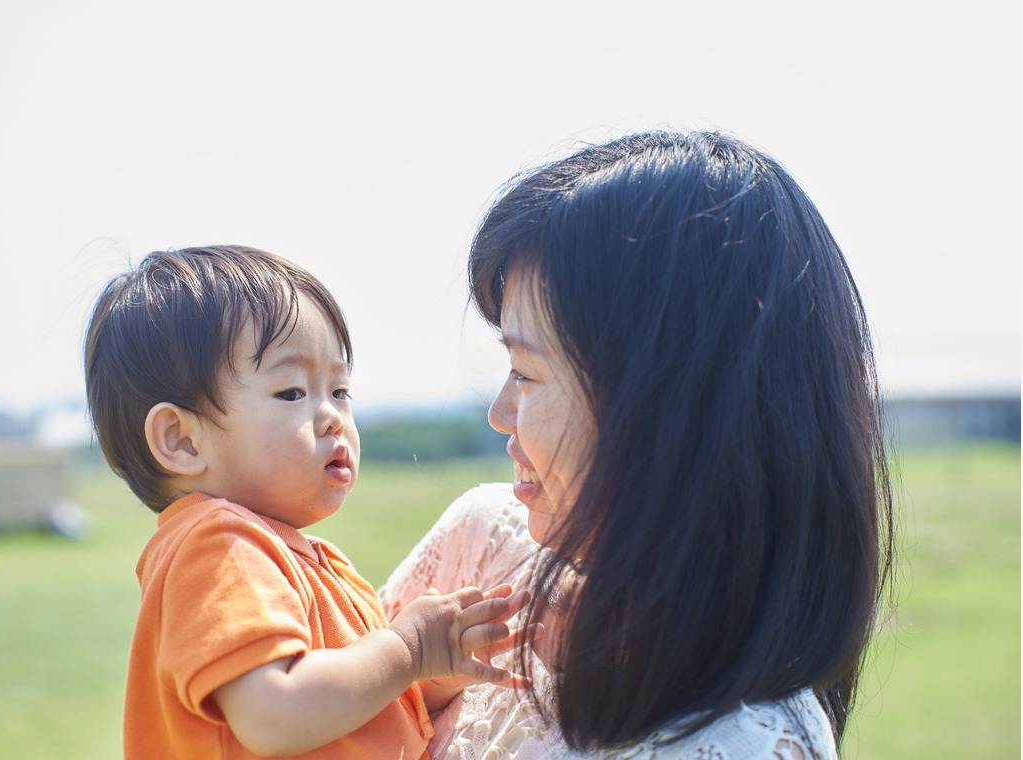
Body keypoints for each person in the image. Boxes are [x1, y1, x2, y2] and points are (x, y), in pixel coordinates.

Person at [382, 130, 894, 759]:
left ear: (662, 409)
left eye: (527, 373)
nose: (499, 414)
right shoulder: (483, 545)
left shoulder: (744, 743)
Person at [83, 244, 532, 759]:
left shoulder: (311, 561)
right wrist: (406, 649)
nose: (333, 417)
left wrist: (431, 671)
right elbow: (275, 714)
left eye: (341, 391)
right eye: (293, 392)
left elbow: (348, 713)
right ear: (183, 441)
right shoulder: (216, 544)